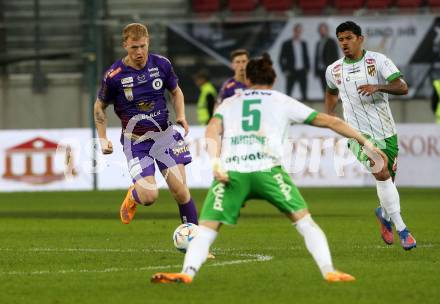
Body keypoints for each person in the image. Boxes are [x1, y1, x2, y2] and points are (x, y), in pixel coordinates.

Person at [151, 53, 386, 284]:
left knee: (207, 227)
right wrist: (367, 143)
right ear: (273, 81)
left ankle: (187, 273)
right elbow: (331, 121)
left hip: (232, 173)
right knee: (304, 222)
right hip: (268, 171)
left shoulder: (230, 102)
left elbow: (212, 129)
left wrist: (215, 162)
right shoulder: (280, 100)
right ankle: (329, 271)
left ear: (248, 81)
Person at [94, 23, 199, 226]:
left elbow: (176, 91)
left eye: (143, 46)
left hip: (165, 135)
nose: (139, 52)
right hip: (136, 143)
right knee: (149, 196)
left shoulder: (161, 64)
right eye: (134, 47)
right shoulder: (114, 76)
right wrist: (102, 138)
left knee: (180, 191)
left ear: (148, 41)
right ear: (125, 45)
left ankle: (195, 243)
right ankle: (134, 195)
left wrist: (182, 115)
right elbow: (99, 106)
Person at [324, 21, 416, 250]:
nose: (344, 43)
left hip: (387, 132)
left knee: (387, 180)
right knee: (381, 168)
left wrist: (379, 87)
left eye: (348, 38)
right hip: (357, 134)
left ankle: (383, 214)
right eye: (341, 39)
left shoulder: (378, 61)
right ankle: (403, 230)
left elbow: (403, 87)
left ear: (360, 38)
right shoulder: (333, 70)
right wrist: (329, 116)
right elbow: (331, 92)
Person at [279, 23, 310, 100]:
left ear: (301, 32)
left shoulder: (303, 44)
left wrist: (307, 69)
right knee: (288, 93)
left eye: (299, 31)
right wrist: (284, 70)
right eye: (296, 31)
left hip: (302, 71)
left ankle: (305, 111)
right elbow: (281, 58)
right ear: (293, 31)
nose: (298, 33)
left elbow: (306, 57)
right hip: (291, 71)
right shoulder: (286, 44)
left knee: (304, 94)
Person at [314, 23, 339, 94]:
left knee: (331, 88)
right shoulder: (318, 43)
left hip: (329, 69)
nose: (322, 32)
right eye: (321, 30)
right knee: (323, 88)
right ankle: (326, 103)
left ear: (327, 31)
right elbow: (317, 57)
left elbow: (335, 56)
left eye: (324, 30)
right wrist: (316, 70)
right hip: (321, 69)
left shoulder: (332, 42)